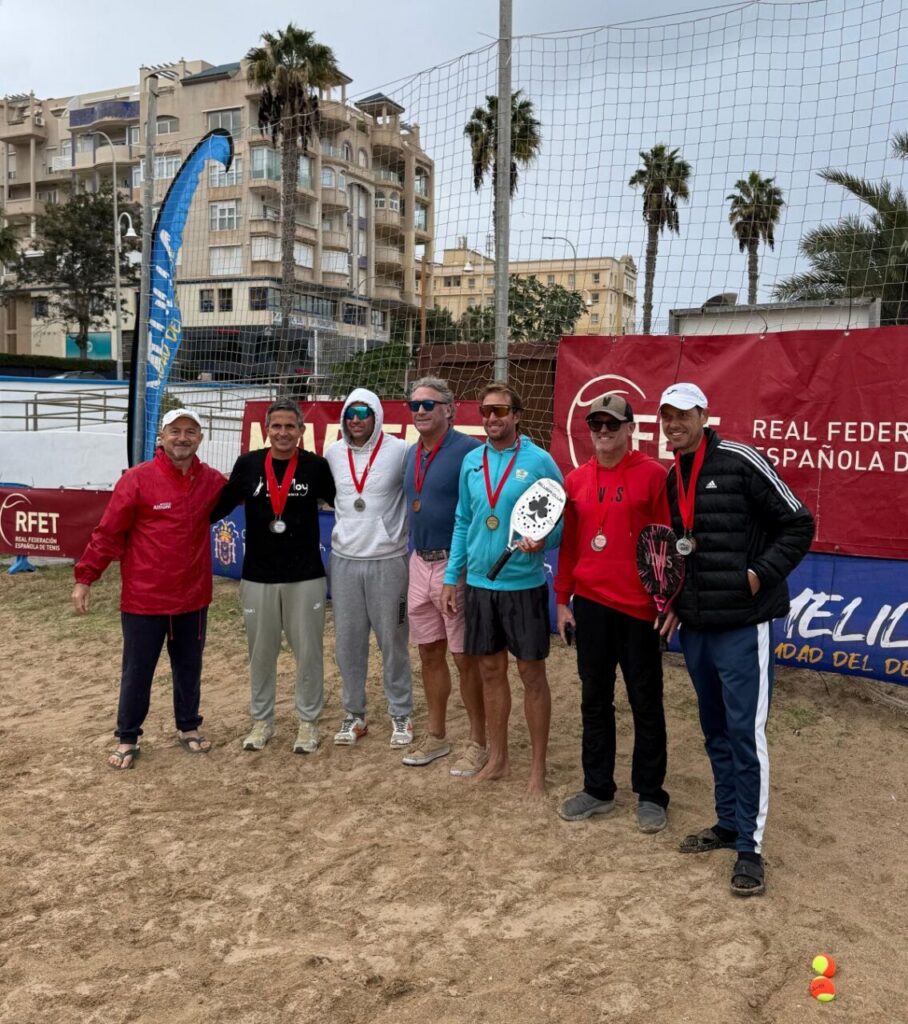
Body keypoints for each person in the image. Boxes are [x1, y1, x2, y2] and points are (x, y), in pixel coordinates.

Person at [659, 382, 814, 897]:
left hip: (744, 626)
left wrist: (757, 575)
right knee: (715, 730)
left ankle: (751, 847)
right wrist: (675, 603)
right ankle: (727, 823)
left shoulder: (742, 460)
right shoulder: (671, 477)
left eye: (683, 414)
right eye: (666, 415)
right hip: (698, 627)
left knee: (747, 735)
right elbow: (683, 553)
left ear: (704, 414)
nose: (674, 423)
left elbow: (798, 524)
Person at [72, 408, 226, 769]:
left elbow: (247, 491)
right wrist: (85, 577)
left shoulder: (211, 481)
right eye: (175, 431)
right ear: (162, 436)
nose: (183, 438)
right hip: (145, 600)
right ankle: (128, 737)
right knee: (138, 670)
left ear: (200, 438)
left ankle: (188, 727)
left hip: (192, 598)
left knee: (189, 667)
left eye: (191, 432)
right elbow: (108, 533)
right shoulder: (138, 480)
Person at [554, 394, 672, 832]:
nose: (603, 431)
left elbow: (666, 544)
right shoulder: (576, 479)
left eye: (611, 424)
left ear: (629, 428)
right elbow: (568, 545)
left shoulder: (653, 476)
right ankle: (598, 788)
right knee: (594, 700)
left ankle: (651, 793)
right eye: (595, 424)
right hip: (592, 605)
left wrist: (667, 602)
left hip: (640, 609)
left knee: (646, 702)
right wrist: (562, 601)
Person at [442, 382, 563, 797]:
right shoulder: (471, 462)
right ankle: (497, 759)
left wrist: (544, 539)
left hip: (523, 584)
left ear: (517, 415)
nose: (492, 419)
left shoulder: (540, 461)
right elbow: (462, 520)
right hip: (479, 583)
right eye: (485, 411)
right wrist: (450, 577)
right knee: (490, 671)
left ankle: (538, 768)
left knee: (531, 673)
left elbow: (562, 518)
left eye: (500, 411)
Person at [211, 398, 335, 754]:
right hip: (258, 576)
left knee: (308, 652)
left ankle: (308, 723)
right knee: (261, 653)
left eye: (290, 426)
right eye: (276, 426)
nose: (283, 432)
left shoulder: (315, 467)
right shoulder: (248, 465)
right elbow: (218, 506)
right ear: (267, 430)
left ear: (301, 431)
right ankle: (261, 721)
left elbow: (346, 502)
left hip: (306, 575)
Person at [401, 376, 486, 775]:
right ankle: (436, 736)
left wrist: (462, 567)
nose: (420, 411)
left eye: (428, 404)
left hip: (456, 566)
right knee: (428, 652)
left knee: (463, 657)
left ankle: (478, 742)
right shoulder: (411, 453)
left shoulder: (470, 451)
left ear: (449, 409)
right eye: (414, 405)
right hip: (419, 562)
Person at [325, 387, 413, 748]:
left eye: (363, 412)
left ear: (376, 415)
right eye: (350, 413)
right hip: (344, 561)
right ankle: (354, 714)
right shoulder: (332, 453)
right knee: (348, 642)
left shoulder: (401, 451)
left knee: (393, 640)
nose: (356, 419)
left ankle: (401, 713)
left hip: (387, 559)